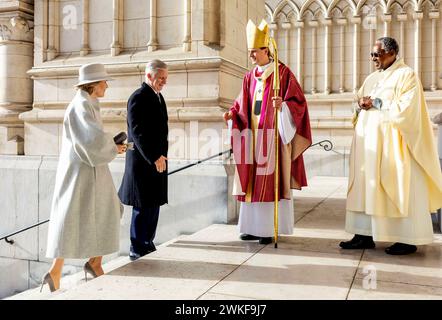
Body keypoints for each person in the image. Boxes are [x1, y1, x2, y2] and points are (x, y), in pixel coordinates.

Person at [340, 37, 442, 255]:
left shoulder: (407, 75)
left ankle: (406, 239)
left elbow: (408, 109)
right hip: (368, 148)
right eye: (372, 54)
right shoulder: (371, 78)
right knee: (365, 188)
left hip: (395, 148)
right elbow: (357, 102)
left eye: (377, 54)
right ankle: (363, 234)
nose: (373, 58)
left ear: (392, 52)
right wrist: (358, 105)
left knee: (398, 188)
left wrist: (376, 103)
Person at [223, 20, 311, 245]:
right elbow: (242, 103)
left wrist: (284, 106)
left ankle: (269, 229)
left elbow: (299, 103)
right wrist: (232, 114)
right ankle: (251, 228)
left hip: (273, 138)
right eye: (250, 52)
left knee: (270, 181)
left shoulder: (283, 73)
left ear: (267, 50)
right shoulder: (248, 76)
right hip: (252, 137)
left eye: (255, 52)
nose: (251, 56)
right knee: (251, 182)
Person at [42, 63, 127, 292]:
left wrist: (111, 146)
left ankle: (91, 263)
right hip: (81, 171)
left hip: (91, 168)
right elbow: (91, 140)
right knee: (72, 216)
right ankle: (59, 271)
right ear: (94, 84)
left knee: (105, 210)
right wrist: (113, 146)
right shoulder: (80, 104)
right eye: (104, 82)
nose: (107, 85)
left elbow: (93, 139)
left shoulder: (88, 103)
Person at [118, 60, 169, 261]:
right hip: (142, 162)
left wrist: (162, 156)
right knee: (142, 205)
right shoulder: (137, 97)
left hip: (158, 159)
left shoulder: (159, 97)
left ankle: (148, 241)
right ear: (149, 76)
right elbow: (138, 133)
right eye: (161, 78)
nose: (164, 82)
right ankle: (137, 245)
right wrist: (154, 156)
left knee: (154, 202)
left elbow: (162, 130)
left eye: (166, 78)